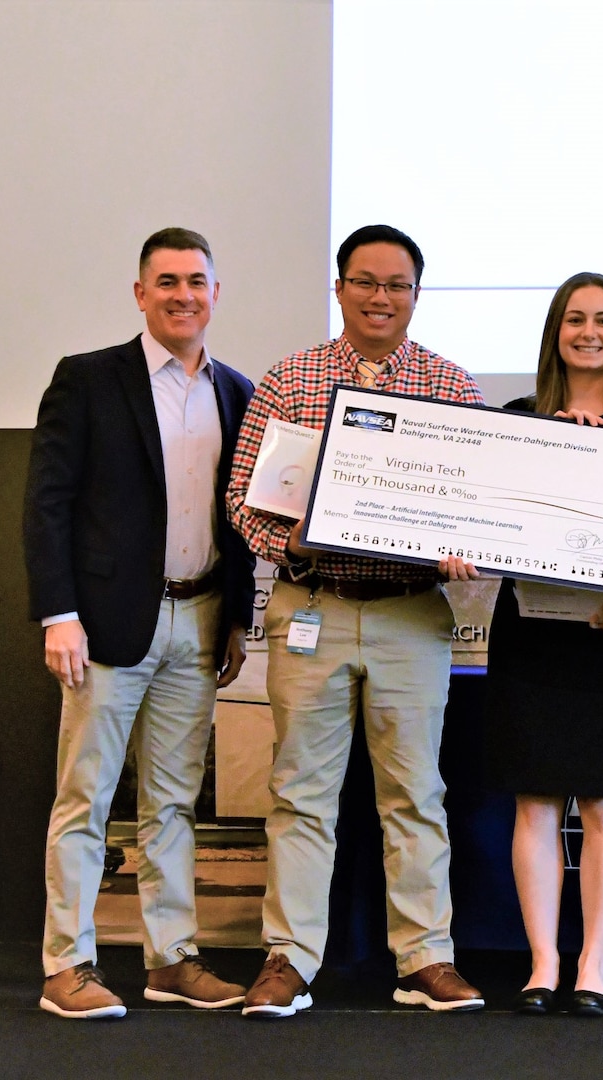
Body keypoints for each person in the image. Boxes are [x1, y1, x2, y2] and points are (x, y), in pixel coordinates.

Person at [227, 225, 486, 1017]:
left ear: (416, 295)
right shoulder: (289, 380)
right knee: (302, 793)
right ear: (340, 288)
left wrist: (464, 545)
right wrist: (289, 537)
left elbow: (479, 505)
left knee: (415, 794)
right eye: (366, 282)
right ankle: (290, 957)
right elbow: (243, 498)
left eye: (397, 284)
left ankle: (425, 958)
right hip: (316, 603)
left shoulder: (451, 388)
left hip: (412, 615)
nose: (381, 298)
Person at [24, 228, 256, 1019]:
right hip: (106, 627)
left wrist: (235, 620)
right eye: (166, 281)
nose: (182, 294)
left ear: (216, 295)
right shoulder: (88, 380)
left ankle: (170, 958)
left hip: (199, 622)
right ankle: (69, 964)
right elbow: (47, 503)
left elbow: (242, 518)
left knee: (173, 804)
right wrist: (59, 613)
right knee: (85, 801)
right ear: (139, 293)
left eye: (197, 281)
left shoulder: (238, 391)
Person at [485, 273, 603, 1018]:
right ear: (554, 332)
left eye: (602, 320)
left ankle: (593, 966)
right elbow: (488, 522)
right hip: (530, 633)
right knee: (534, 801)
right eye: (574, 319)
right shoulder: (518, 421)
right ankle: (542, 964)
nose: (587, 332)